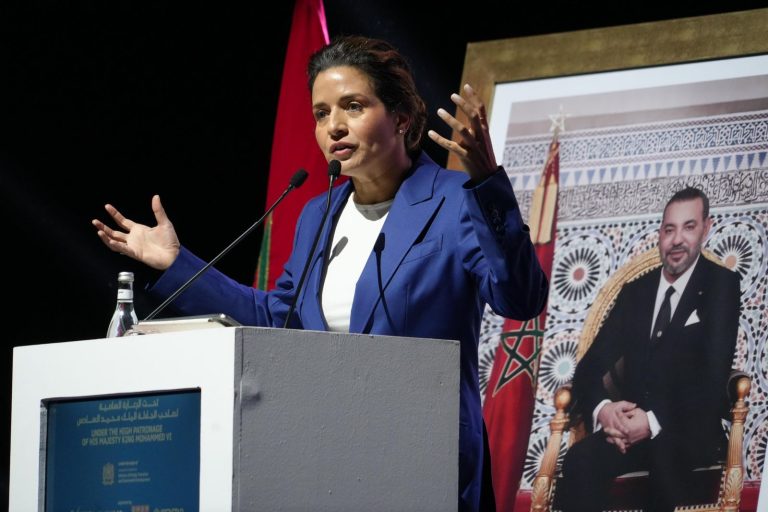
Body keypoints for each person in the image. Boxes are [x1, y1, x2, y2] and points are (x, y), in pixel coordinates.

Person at [92, 35, 548, 511]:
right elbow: (276, 318)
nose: (334, 126)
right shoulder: (319, 214)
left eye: (353, 106)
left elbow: (522, 299)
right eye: (321, 113)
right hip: (327, 454)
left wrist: (487, 183)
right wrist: (176, 262)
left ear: (401, 117)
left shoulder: (456, 199)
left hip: (424, 459)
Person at [557, 187, 741, 512]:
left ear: (706, 228)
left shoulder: (721, 285)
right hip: (626, 433)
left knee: (665, 465)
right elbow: (589, 367)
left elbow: (713, 378)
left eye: (688, 227)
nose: (677, 240)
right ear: (660, 234)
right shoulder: (636, 293)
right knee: (579, 460)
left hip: (686, 429)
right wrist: (605, 412)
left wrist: (652, 422)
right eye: (669, 229)